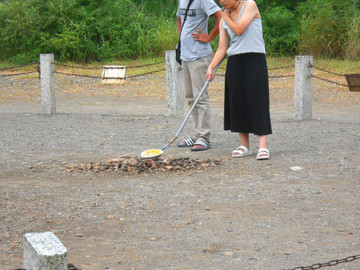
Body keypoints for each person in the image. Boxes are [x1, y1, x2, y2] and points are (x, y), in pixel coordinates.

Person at [206, 0, 272, 160]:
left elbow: (239, 29)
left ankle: (263, 146)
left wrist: (224, 16)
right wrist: (211, 67)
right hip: (235, 59)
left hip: (254, 57)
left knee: (257, 99)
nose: (222, 1)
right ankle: (245, 145)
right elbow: (222, 48)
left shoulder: (250, 5)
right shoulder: (224, 16)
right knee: (238, 101)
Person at [176, 0, 222, 151]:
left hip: (199, 56)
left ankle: (204, 137)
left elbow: (221, 17)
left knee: (200, 97)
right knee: (190, 97)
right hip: (185, 56)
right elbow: (179, 18)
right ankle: (197, 134)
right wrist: (183, 38)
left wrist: (208, 37)